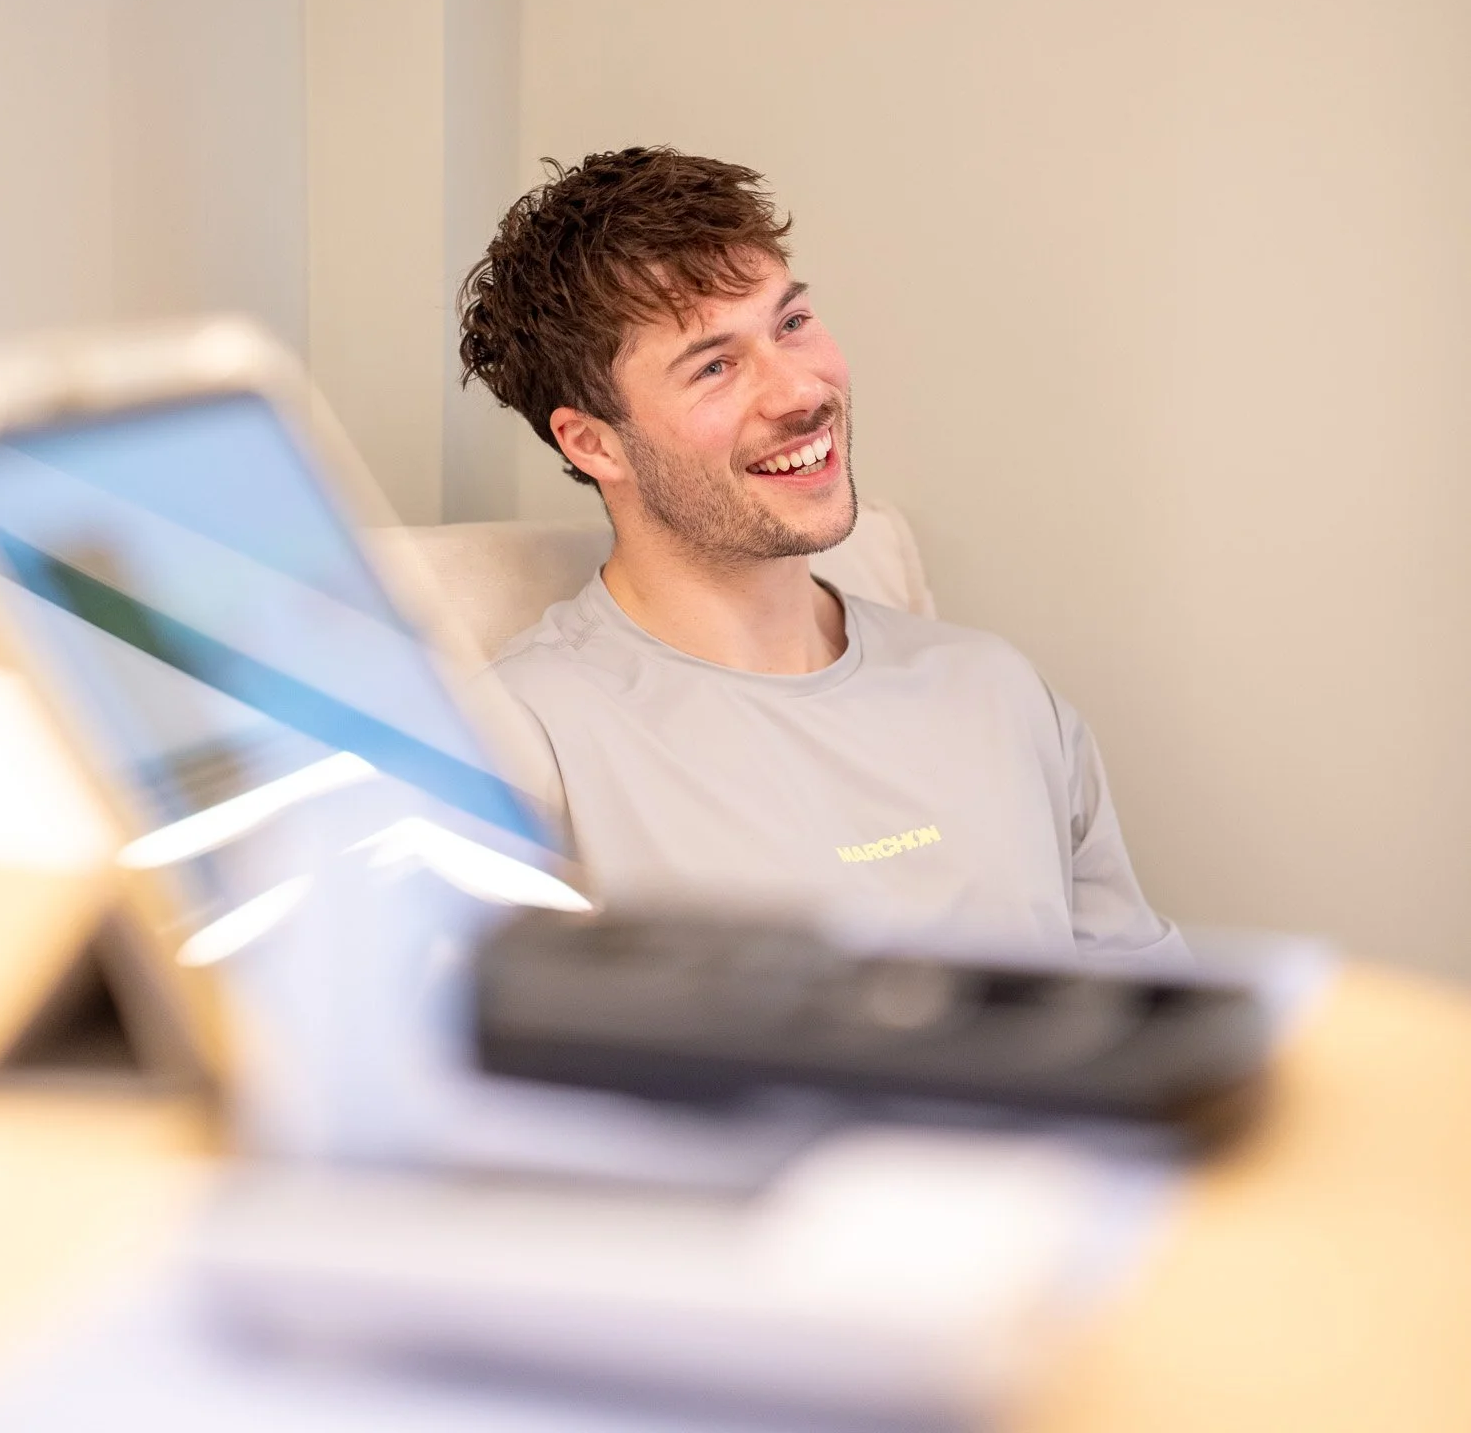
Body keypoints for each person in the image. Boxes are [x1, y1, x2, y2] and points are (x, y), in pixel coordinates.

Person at [459, 146, 1182, 964]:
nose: (802, 392)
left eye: (792, 323)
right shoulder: (516, 749)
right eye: (716, 365)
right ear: (594, 444)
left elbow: (1157, 1038)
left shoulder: (1001, 694)